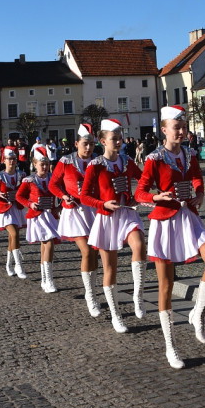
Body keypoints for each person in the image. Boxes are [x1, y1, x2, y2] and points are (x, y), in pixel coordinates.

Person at [136, 105, 205, 369]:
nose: (182, 132)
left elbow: (197, 178)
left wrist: (200, 193)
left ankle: (198, 312)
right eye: (177, 127)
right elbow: (139, 193)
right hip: (165, 222)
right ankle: (171, 346)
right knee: (166, 287)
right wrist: (155, 197)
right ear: (164, 130)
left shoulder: (189, 153)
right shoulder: (154, 158)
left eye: (184, 127)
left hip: (189, 216)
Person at [82, 118, 146, 333]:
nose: (118, 142)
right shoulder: (96, 165)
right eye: (114, 139)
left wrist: (139, 196)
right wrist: (102, 203)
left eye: (120, 138)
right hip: (107, 217)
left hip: (127, 213)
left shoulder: (127, 161)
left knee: (139, 244)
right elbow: (84, 196)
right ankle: (116, 315)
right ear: (102, 141)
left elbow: (144, 180)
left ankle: (138, 295)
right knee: (110, 268)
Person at [50, 124, 102, 316]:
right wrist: (63, 195)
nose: (88, 148)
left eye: (91, 144)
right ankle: (90, 296)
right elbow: (53, 184)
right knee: (87, 251)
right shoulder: (65, 161)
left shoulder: (98, 161)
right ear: (76, 143)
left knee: (95, 252)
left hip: (95, 210)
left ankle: (94, 289)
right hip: (75, 211)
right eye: (85, 144)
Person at [16, 145, 61, 293]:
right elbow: (19, 196)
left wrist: (59, 208)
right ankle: (49, 279)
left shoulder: (54, 179)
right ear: (35, 164)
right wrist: (30, 204)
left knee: (47, 247)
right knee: (48, 244)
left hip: (51, 216)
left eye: (47, 164)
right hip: (37, 216)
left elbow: (63, 193)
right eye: (42, 164)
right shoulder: (29, 180)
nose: (45, 167)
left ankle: (44, 280)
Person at [0, 148, 26, 275]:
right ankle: (18, 265)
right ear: (4, 160)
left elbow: (27, 191)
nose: (11, 161)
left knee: (12, 238)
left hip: (17, 208)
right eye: (9, 159)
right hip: (5, 210)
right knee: (14, 234)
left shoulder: (22, 175)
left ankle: (8, 265)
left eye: (14, 159)